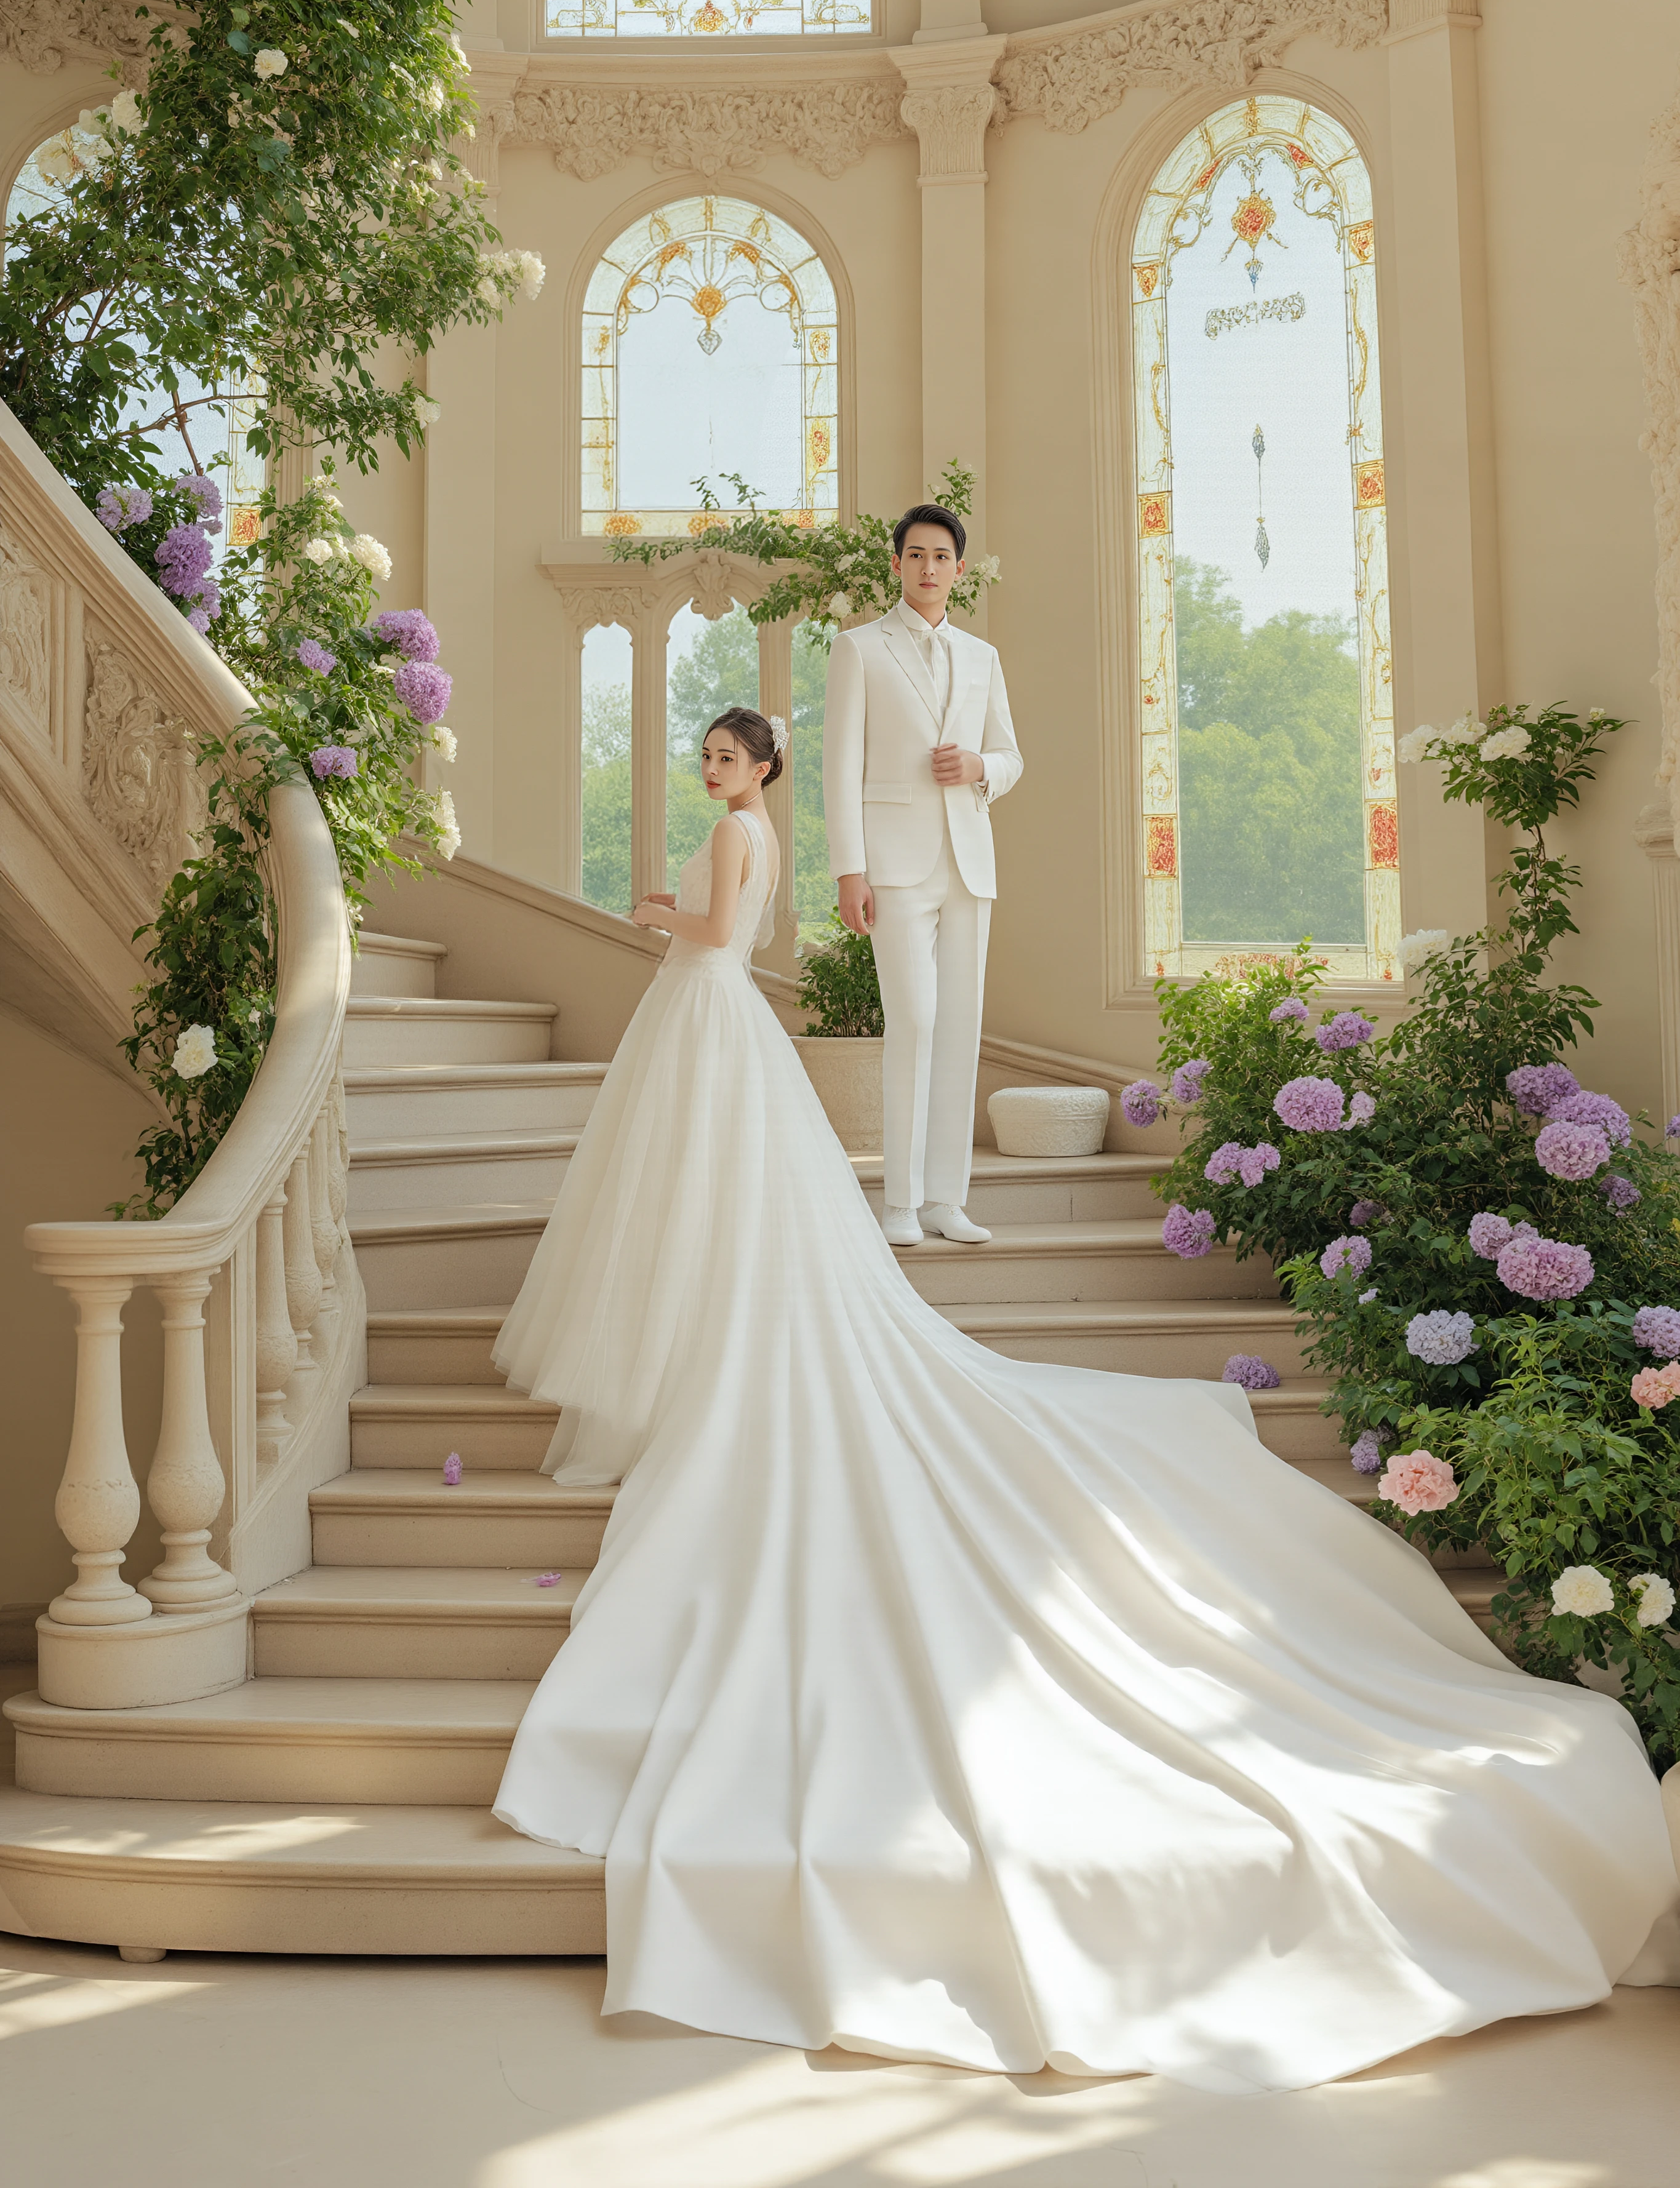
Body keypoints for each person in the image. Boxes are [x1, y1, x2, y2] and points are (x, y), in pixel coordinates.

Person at [490, 701, 1679, 2094]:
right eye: (708, 762)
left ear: (757, 773)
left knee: (723, 1209)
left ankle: (718, 1343)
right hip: (709, 1027)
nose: (716, 777)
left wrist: (656, 911)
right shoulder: (745, 828)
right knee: (706, 1204)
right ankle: (708, 1339)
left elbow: (717, 938)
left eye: (728, 760)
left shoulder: (736, 838)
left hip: (705, 1009)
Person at [822, 504, 1022, 1246]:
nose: (929, 567)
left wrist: (981, 769)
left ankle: (946, 1200)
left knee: (961, 1028)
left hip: (970, 863)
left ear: (959, 570)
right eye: (916, 555)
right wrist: (851, 870)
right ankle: (900, 1202)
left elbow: (1011, 755)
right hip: (895, 867)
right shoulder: (859, 649)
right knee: (912, 1021)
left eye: (942, 556)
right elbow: (839, 768)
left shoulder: (983, 657)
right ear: (898, 564)